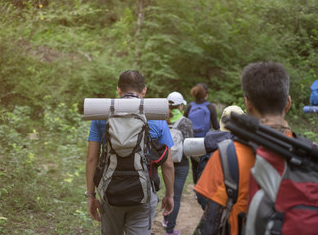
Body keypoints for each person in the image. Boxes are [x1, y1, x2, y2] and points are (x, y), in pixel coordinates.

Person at [193, 62, 293, 235]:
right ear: (288, 102)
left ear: (248, 103)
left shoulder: (226, 156)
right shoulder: (314, 156)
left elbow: (209, 222)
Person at [86, 70, 175, 235]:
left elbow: (92, 159)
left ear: (118, 90)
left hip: (110, 193)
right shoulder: (155, 116)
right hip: (143, 193)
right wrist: (170, 195)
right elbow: (168, 164)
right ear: (144, 91)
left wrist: (90, 195)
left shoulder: (102, 115)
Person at [163, 91, 194, 235]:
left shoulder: (162, 119)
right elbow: (189, 145)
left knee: (168, 191)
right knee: (175, 196)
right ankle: (170, 229)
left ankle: (165, 219)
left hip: (165, 162)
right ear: (180, 106)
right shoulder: (186, 122)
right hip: (181, 163)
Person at [184, 83, 220, 184]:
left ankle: (196, 188)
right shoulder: (210, 107)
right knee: (206, 165)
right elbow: (216, 126)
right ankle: (204, 188)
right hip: (205, 141)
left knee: (195, 166)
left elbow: (184, 123)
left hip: (191, 141)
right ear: (206, 94)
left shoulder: (189, 107)